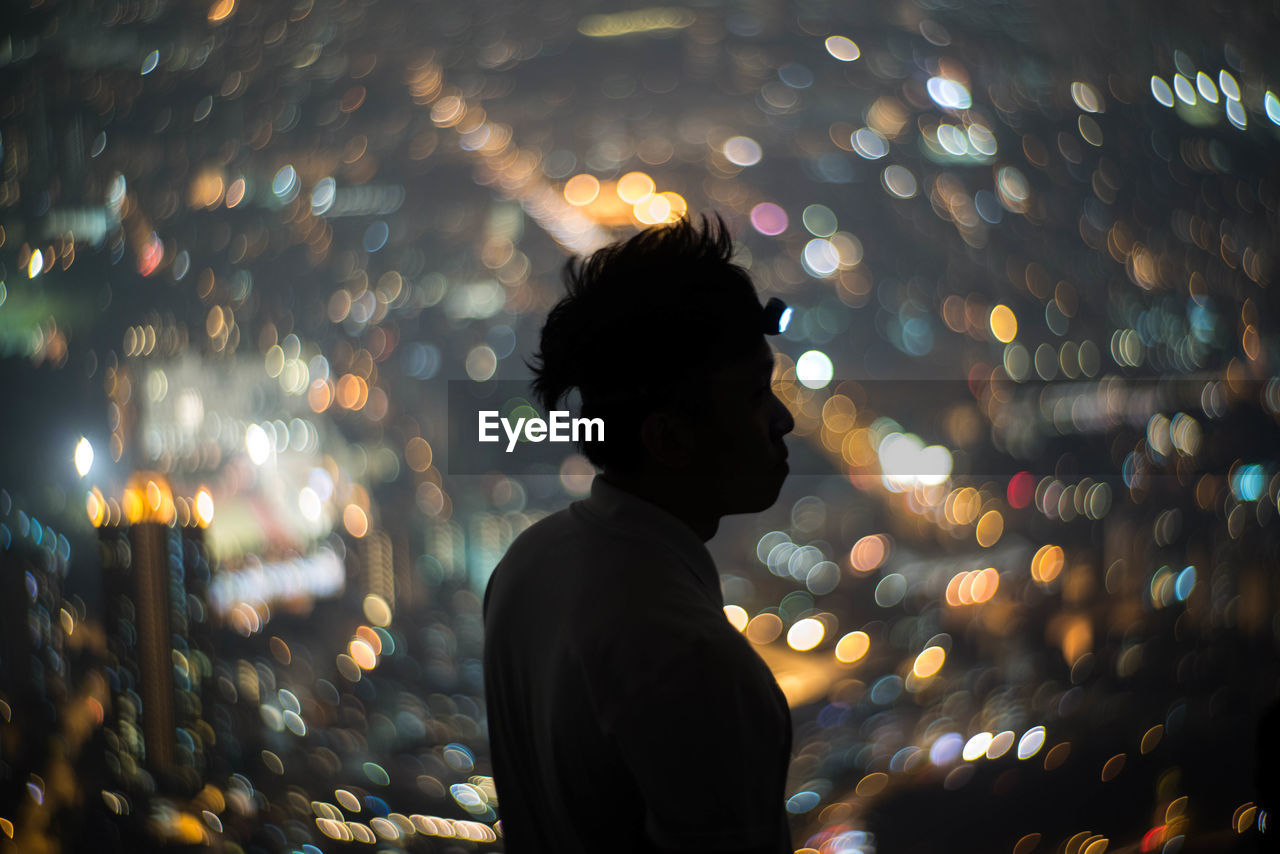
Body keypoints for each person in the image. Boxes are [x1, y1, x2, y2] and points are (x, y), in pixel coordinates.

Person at [482, 214, 796, 853]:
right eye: (755, 396)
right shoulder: (697, 663)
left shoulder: (526, 567)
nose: (783, 419)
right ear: (668, 439)